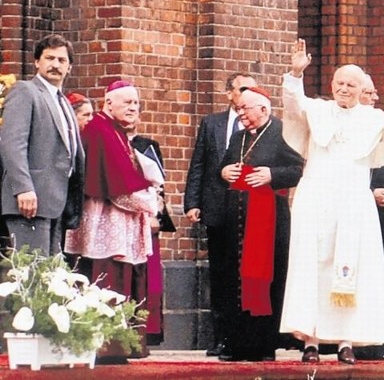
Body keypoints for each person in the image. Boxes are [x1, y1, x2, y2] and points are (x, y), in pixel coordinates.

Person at [279, 39, 384, 365]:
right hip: (315, 199)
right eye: (339, 83)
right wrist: (296, 75)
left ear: (362, 88)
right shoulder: (319, 109)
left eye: (351, 84)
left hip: (353, 202)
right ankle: (310, 341)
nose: (344, 88)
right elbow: (294, 107)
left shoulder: (372, 117)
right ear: (332, 85)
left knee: (351, 267)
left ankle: (345, 341)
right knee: (312, 267)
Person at [65, 80, 157, 362]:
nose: (133, 107)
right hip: (105, 223)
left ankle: (116, 348)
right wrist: (152, 201)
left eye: (136, 103)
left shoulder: (114, 130)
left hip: (118, 223)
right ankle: (107, 349)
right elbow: (120, 189)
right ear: (108, 103)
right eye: (127, 102)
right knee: (106, 280)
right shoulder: (101, 131)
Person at [218, 86, 304, 361]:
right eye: (239, 109)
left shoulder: (282, 133)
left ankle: (264, 345)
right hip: (238, 219)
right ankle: (236, 344)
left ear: (264, 109)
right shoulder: (238, 137)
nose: (240, 113)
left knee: (267, 280)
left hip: (270, 219)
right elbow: (225, 166)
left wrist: (272, 174)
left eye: (245, 108)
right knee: (236, 280)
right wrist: (224, 171)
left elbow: (299, 169)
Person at [183, 72, 257, 356]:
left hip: (249, 209)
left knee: (247, 275)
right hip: (217, 207)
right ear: (229, 93)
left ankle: (246, 337)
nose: (246, 94)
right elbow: (199, 163)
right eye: (242, 89)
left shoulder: (257, 124)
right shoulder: (211, 123)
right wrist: (192, 202)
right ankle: (221, 338)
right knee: (221, 275)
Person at [0, 34, 84, 255]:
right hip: (30, 201)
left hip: (58, 202)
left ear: (70, 67)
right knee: (32, 275)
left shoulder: (64, 102)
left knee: (50, 277)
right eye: (49, 58)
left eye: (61, 60)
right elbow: (12, 143)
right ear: (37, 62)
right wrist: (23, 188)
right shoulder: (25, 91)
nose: (55, 65)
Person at [354, 75, 384, 361]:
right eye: (369, 93)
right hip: (355, 208)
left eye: (375, 93)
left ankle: (380, 341)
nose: (374, 98)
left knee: (381, 277)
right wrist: (368, 192)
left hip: (382, 213)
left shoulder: (379, 124)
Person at [129, 121, 176, 347]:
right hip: (123, 214)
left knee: (150, 279)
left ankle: (149, 329)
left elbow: (159, 184)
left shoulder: (148, 145)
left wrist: (157, 213)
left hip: (146, 214)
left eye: (135, 105)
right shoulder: (112, 142)